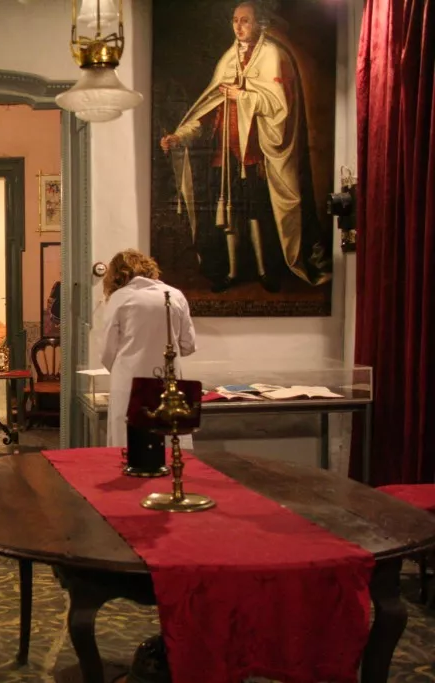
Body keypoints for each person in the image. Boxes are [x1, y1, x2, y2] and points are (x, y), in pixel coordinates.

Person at [160, 1, 331, 293]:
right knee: (228, 215)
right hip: (224, 154)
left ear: (259, 24)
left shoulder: (272, 56)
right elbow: (207, 111)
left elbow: (280, 107)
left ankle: (265, 270)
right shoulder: (228, 59)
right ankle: (231, 271)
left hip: (255, 152)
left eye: (246, 21)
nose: (239, 27)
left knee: (254, 213)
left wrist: (244, 96)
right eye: (235, 20)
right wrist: (180, 136)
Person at [101, 249, 197, 448]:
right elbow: (188, 345)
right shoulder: (175, 295)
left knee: (130, 442)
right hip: (168, 379)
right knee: (170, 438)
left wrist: (122, 367)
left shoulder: (120, 298)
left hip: (129, 380)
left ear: (116, 274)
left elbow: (107, 352)